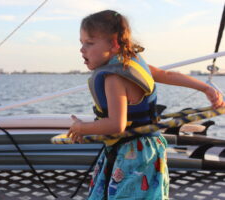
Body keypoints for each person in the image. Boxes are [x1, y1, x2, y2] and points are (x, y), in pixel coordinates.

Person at [67, 10, 225, 200]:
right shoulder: (131, 63)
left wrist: (81, 128)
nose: (82, 49)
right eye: (82, 43)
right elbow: (167, 75)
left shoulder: (113, 78)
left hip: (130, 152)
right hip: (149, 147)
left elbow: (116, 125)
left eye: (89, 43)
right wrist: (205, 88)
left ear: (115, 43)